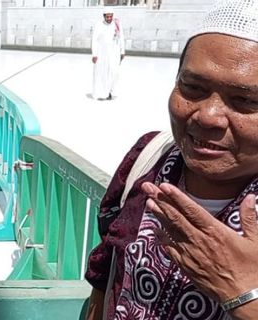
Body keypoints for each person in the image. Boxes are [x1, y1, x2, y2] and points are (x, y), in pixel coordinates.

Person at [85, 1, 258, 319]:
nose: (208, 117)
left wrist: (245, 295)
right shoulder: (149, 159)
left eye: (245, 101)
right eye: (192, 88)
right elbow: (106, 270)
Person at [91, 7, 125, 101]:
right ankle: (102, 94)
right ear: (104, 16)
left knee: (115, 73)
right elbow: (94, 40)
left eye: (111, 16)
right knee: (102, 73)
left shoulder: (117, 24)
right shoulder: (99, 24)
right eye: (107, 17)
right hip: (102, 53)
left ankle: (110, 91)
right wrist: (94, 54)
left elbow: (121, 37)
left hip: (114, 52)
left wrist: (122, 51)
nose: (109, 18)